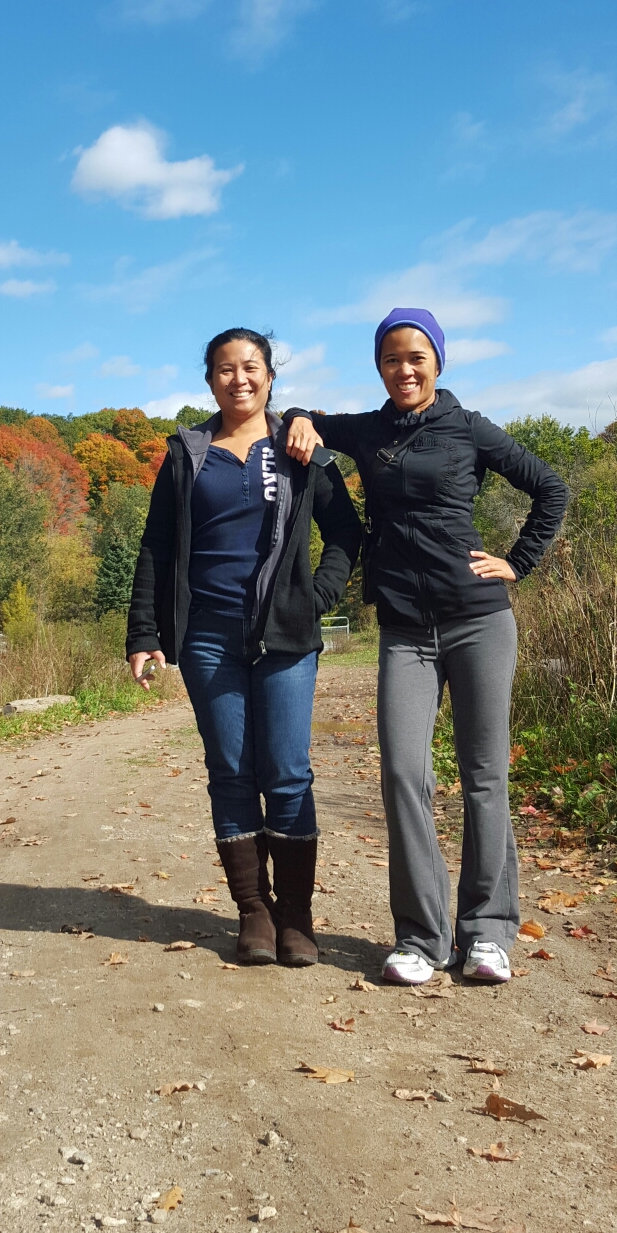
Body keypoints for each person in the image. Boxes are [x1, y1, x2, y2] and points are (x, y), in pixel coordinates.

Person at [283, 307, 569, 985]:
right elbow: (308, 417)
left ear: (438, 361)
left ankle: (488, 931)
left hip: (478, 620)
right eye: (391, 359)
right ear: (378, 367)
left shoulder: (468, 427)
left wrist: (518, 561)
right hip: (405, 629)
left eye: (416, 357)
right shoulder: (370, 430)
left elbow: (550, 489)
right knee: (403, 774)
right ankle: (421, 937)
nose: (404, 370)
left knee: (484, 776)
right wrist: (296, 416)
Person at [126, 327, 361, 968]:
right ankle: (254, 911)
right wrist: (144, 632)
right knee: (231, 771)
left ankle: (297, 915)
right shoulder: (188, 455)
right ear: (210, 382)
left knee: (287, 772)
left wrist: (318, 595)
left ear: (270, 377)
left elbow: (346, 532)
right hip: (208, 636)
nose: (239, 379)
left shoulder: (299, 448)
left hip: (286, 634)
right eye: (225, 369)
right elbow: (156, 546)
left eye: (251, 367)